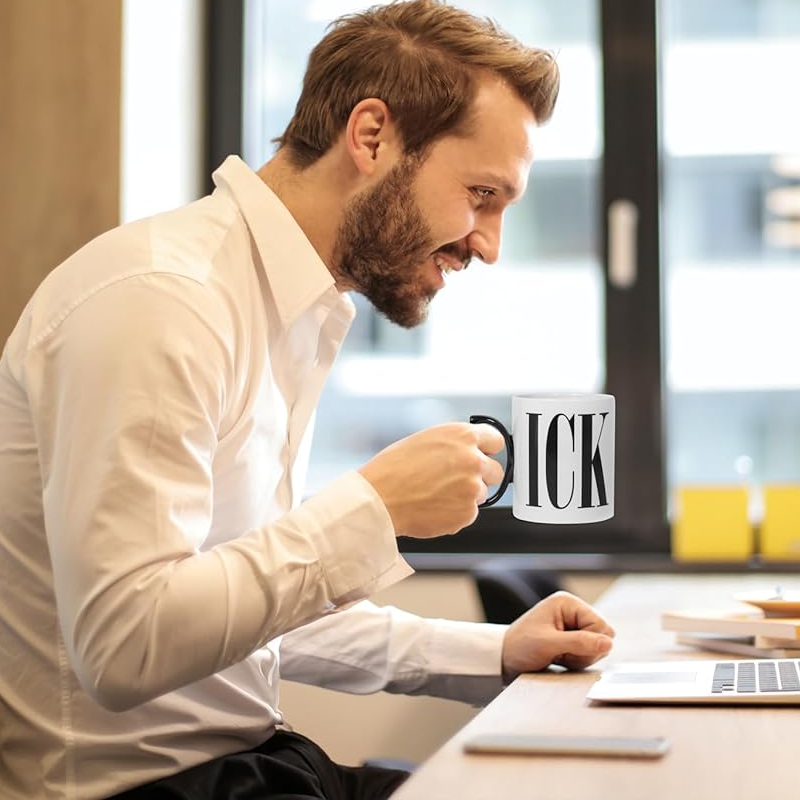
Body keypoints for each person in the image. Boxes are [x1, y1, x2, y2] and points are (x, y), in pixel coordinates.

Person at [0, 2, 615, 798]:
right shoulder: (162, 301)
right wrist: (371, 508)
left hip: (249, 766)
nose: (488, 244)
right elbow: (127, 648)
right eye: (481, 194)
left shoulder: (294, 310)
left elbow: (249, 618)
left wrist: (493, 652)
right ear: (371, 137)